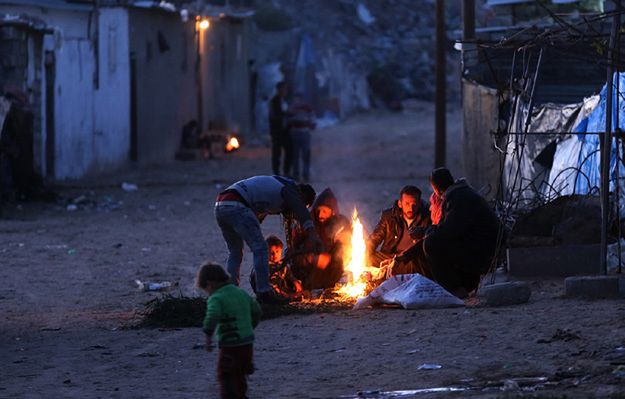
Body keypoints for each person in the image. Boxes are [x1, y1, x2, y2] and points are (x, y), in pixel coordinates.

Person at [214, 175, 321, 303]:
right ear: (301, 195)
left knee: (235, 252)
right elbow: (301, 211)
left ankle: (230, 293)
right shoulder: (290, 189)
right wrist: (313, 234)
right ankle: (264, 292)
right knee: (260, 249)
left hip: (221, 204)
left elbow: (257, 217)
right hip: (237, 205)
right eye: (304, 203)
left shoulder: (275, 188)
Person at [423, 167, 501, 298]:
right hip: (480, 245)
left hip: (484, 250)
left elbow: (449, 231)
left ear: (436, 188)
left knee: (431, 243)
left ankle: (454, 290)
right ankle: (465, 284)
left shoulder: (458, 198)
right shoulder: (461, 194)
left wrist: (427, 231)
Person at [196, 262, 262, 399]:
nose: (208, 293)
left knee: (225, 375)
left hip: (229, 345)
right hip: (247, 344)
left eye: (206, 289)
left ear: (210, 284)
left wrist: (208, 333)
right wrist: (250, 326)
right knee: (240, 374)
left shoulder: (216, 298)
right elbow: (256, 310)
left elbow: (212, 315)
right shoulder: (240, 292)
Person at [290, 188, 351, 290]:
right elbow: (293, 251)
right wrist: (312, 258)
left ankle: (329, 285)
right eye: (318, 211)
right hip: (308, 268)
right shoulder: (306, 224)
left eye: (324, 211)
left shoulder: (340, 223)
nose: (320, 215)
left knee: (339, 255)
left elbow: (345, 249)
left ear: (332, 211)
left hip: (332, 269)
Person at [366, 185, 432, 277]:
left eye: (414, 204)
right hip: (389, 256)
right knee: (368, 258)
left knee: (415, 265)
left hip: (409, 258)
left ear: (419, 204)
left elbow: (421, 247)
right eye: (407, 204)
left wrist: (399, 259)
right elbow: (375, 237)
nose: (411, 208)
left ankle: (388, 273)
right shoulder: (389, 216)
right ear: (400, 204)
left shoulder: (427, 218)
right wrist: (364, 253)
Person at [288, 93, 316, 182]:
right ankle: (296, 175)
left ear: (301, 100)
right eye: (295, 99)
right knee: (295, 156)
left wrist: (309, 124)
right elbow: (288, 120)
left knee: (306, 155)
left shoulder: (307, 108)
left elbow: (312, 119)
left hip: (304, 133)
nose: (296, 101)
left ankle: (305, 175)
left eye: (298, 99)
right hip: (295, 134)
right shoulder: (291, 109)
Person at [269, 82, 292, 176]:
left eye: (285, 89)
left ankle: (286, 172)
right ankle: (276, 173)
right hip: (277, 131)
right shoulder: (274, 101)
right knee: (276, 154)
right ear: (279, 90)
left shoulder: (286, 100)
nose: (285, 91)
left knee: (289, 151)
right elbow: (273, 116)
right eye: (283, 89)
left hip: (286, 131)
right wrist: (284, 115)